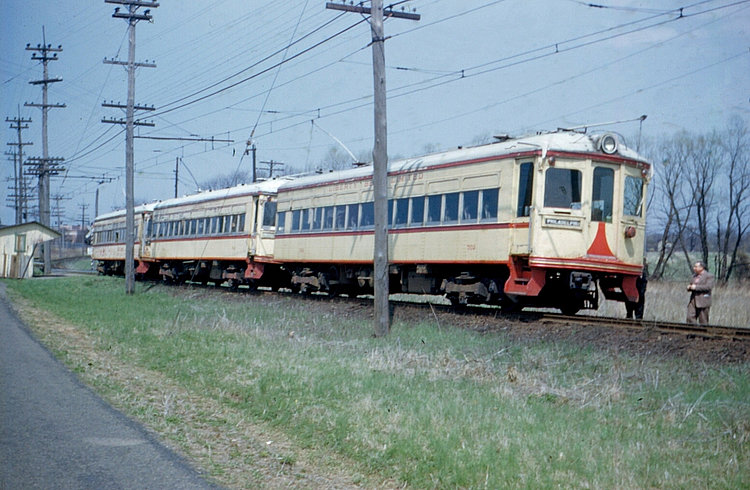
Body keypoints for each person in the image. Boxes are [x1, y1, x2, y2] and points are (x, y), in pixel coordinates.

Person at [686, 261, 714, 325]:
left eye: (696, 267)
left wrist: (696, 287)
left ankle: (703, 334)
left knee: (703, 320)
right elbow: (691, 285)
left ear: (701, 267)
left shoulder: (709, 276)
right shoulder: (694, 276)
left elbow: (708, 287)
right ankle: (692, 332)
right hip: (693, 300)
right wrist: (689, 287)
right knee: (690, 317)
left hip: (703, 300)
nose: (694, 268)